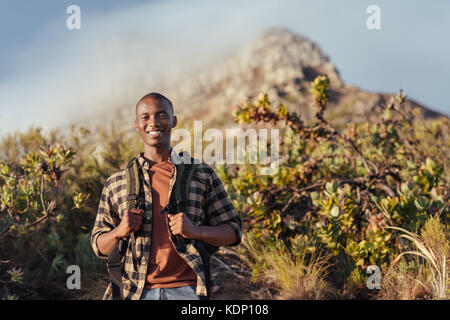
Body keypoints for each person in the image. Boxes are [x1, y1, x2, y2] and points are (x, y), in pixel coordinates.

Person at [90, 92, 242, 300]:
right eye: (145, 117)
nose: (153, 122)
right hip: (135, 292)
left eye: (162, 115)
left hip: (188, 291)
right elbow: (98, 245)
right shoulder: (116, 183)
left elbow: (233, 232)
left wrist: (196, 231)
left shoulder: (201, 173)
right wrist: (119, 231)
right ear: (137, 124)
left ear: (173, 120)